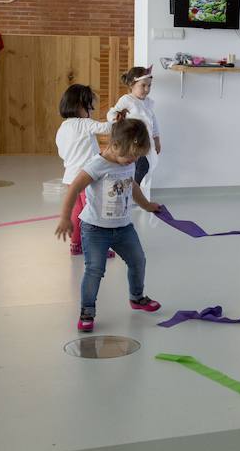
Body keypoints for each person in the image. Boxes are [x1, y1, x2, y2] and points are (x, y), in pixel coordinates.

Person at [55, 119, 162, 332]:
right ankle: (87, 311)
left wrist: (148, 205)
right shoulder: (97, 165)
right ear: (114, 145)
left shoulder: (129, 162)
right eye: (129, 156)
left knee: (138, 260)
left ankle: (137, 297)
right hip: (95, 229)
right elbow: (74, 188)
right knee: (95, 269)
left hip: (123, 227)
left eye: (136, 157)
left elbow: (133, 187)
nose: (132, 161)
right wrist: (66, 218)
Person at [55, 84, 119, 256]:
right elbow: (106, 128)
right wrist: (116, 117)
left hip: (70, 177)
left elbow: (62, 153)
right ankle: (97, 248)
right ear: (79, 106)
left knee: (77, 211)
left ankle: (76, 245)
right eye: (88, 106)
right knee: (94, 212)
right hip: (88, 177)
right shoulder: (85, 124)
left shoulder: (62, 128)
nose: (91, 111)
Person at [107, 66, 161, 187]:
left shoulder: (148, 102)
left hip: (145, 141)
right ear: (132, 84)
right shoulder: (127, 100)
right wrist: (116, 117)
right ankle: (130, 188)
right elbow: (112, 112)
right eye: (143, 85)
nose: (147, 89)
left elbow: (153, 122)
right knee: (140, 166)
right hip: (132, 141)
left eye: (149, 85)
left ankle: (131, 189)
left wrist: (157, 139)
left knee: (144, 166)